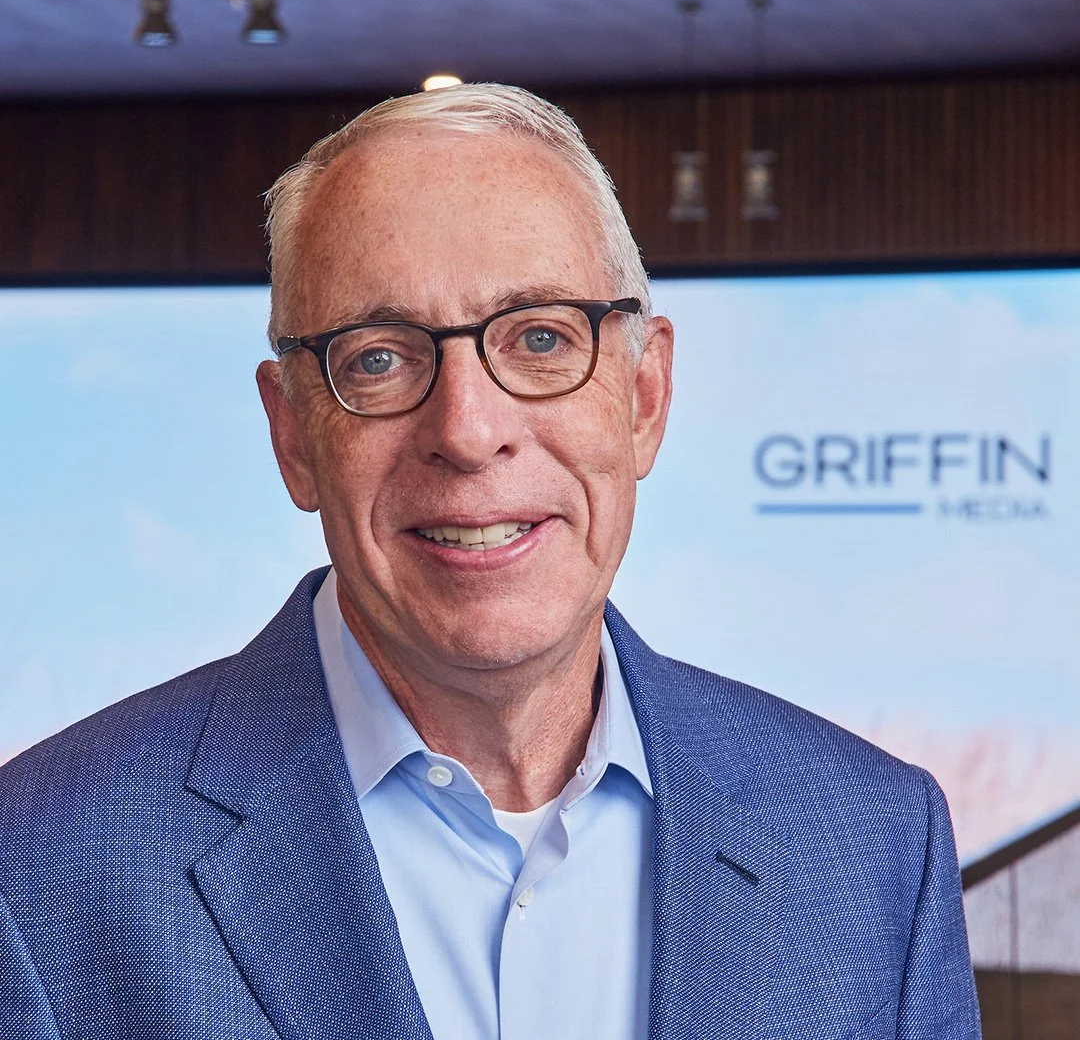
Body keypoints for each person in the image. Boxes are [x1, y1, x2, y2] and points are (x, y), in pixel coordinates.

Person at [0, 84, 980, 1040]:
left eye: (542, 338)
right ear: (292, 434)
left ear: (644, 398)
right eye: (378, 358)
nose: (468, 432)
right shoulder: (41, 872)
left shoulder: (873, 850)